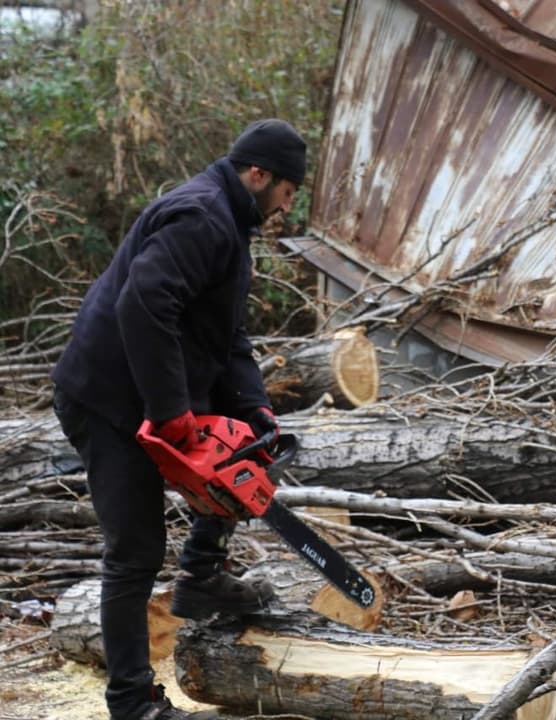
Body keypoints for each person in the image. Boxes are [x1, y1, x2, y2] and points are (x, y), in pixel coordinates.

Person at [51, 119, 307, 720]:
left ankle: (202, 575)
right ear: (259, 174)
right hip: (108, 398)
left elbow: (225, 333)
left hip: (147, 389)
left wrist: (254, 406)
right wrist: (172, 414)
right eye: (288, 193)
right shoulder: (201, 217)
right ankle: (132, 703)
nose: (286, 208)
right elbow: (144, 305)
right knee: (136, 552)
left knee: (248, 456)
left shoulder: (228, 226)